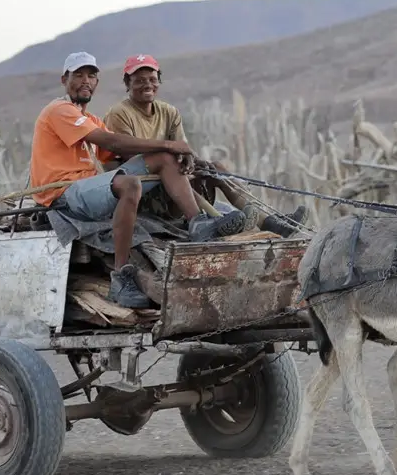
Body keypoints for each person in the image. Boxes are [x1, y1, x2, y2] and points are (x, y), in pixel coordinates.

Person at [30, 52, 247, 308]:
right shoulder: (59, 110)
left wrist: (186, 158)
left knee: (166, 159)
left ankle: (198, 223)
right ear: (64, 79)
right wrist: (169, 144)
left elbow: (123, 153)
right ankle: (121, 276)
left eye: (91, 76)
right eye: (78, 75)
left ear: (97, 82)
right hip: (63, 195)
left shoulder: (92, 119)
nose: (85, 81)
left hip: (87, 191)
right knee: (130, 183)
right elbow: (111, 142)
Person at [102, 54, 307, 237]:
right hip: (145, 190)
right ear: (127, 84)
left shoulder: (169, 111)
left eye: (152, 80)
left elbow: (182, 148)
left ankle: (268, 221)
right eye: (139, 81)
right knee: (172, 167)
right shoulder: (119, 113)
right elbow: (129, 156)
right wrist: (172, 155)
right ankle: (207, 221)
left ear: (159, 82)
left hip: (173, 181)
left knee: (215, 167)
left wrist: (193, 160)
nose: (147, 85)